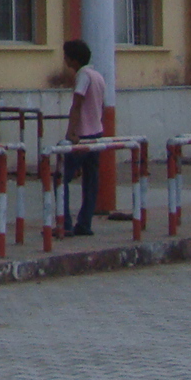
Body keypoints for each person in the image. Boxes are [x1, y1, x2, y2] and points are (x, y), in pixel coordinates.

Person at [60, 38, 106, 237]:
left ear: (74, 60)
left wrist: (71, 132)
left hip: (83, 134)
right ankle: (84, 223)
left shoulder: (83, 76)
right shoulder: (98, 76)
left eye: (67, 57)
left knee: (61, 178)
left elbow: (77, 105)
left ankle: (66, 223)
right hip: (97, 132)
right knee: (91, 180)